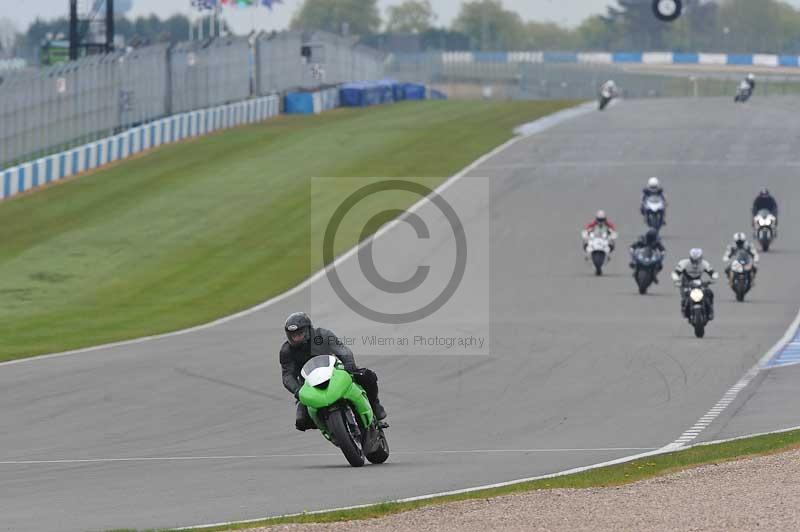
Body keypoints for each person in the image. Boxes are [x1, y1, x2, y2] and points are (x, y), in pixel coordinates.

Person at [280, 312, 387, 432]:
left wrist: (349, 366)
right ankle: (329, 427)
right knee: (301, 421)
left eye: (300, 333)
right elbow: (287, 375)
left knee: (368, 376)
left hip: (334, 373)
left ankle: (375, 406)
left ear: (309, 330)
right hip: (310, 384)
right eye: (293, 335)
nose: (297, 337)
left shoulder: (323, 335)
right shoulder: (286, 351)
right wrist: (297, 390)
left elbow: (342, 350)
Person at [671, 248, 719, 321]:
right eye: (693, 260)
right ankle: (684, 310)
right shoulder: (684, 263)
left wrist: (714, 277)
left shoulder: (704, 264)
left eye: (697, 260)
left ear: (701, 258)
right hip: (686, 283)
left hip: (699, 282)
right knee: (685, 296)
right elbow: (675, 273)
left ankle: (710, 310)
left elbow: (712, 272)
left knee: (709, 292)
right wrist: (676, 280)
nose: (695, 262)